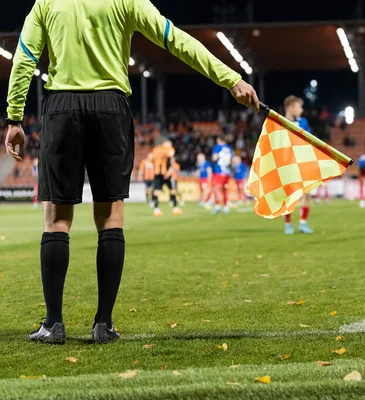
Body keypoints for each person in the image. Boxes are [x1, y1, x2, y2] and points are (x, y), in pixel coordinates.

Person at [4, 0, 259, 344]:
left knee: (56, 218)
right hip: (111, 108)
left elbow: (24, 59)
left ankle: (54, 325)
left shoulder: (47, 3)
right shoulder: (127, 1)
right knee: (111, 216)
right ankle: (103, 325)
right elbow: (178, 41)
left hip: (62, 108)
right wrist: (230, 79)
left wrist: (15, 118)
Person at [282, 96, 313, 235]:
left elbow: (310, 140)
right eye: (299, 107)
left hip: (302, 162)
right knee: (288, 196)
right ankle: (288, 224)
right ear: (290, 107)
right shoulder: (279, 122)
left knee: (306, 194)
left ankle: (303, 223)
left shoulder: (303, 122)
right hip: (287, 164)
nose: (301, 110)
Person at [151, 140, 176, 216]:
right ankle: (175, 207)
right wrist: (169, 171)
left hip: (157, 172)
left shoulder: (155, 149)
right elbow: (171, 157)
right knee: (172, 189)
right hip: (165, 172)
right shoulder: (168, 149)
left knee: (156, 190)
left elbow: (152, 160)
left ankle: (156, 209)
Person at [211, 136, 234, 215]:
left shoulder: (217, 147)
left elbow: (214, 158)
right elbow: (232, 160)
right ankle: (225, 207)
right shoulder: (229, 148)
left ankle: (217, 205)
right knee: (225, 189)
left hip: (218, 171)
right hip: (227, 172)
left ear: (218, 140)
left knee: (216, 188)